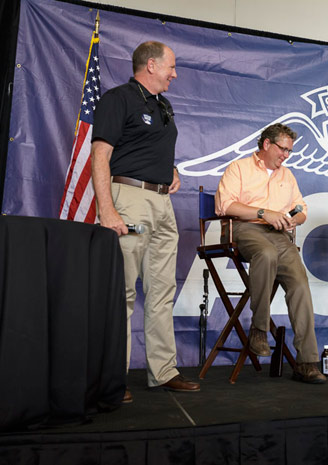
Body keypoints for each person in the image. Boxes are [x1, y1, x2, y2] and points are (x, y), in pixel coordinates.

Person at [91, 41, 200, 402]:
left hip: (162, 204)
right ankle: (111, 378)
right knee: (120, 293)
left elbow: (148, 144)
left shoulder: (162, 105)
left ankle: (163, 370)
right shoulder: (118, 98)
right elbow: (101, 155)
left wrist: (171, 169)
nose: (175, 73)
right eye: (171, 66)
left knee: (162, 291)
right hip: (129, 198)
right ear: (151, 65)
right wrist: (107, 210)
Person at [216, 123, 326, 384]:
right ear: (266, 144)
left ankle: (306, 361)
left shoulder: (287, 175)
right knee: (265, 254)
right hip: (245, 229)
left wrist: (295, 218)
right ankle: (259, 329)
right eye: (283, 149)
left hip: (280, 235)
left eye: (290, 151)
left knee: (299, 283)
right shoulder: (239, 168)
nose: (286, 155)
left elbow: (301, 207)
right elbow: (225, 205)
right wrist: (264, 213)